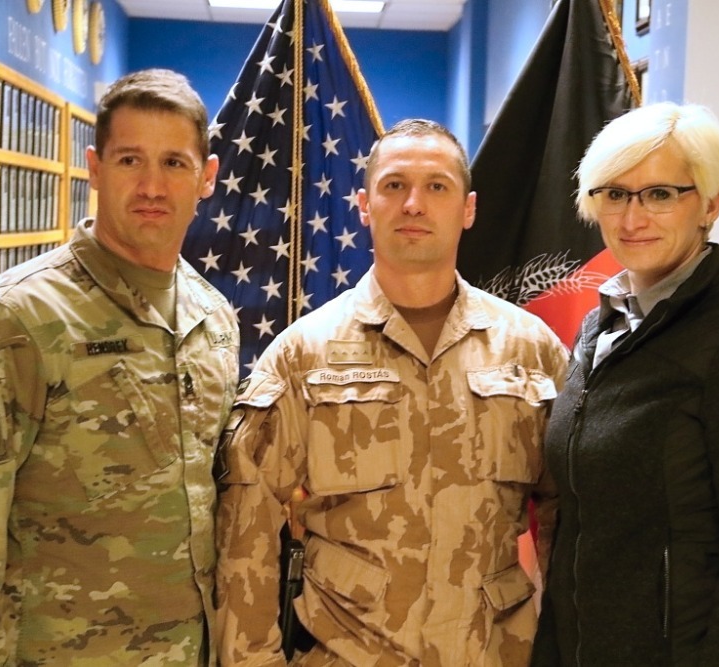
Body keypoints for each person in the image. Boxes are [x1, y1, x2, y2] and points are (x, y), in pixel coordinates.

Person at [0, 68, 240, 665]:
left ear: (207, 177)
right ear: (95, 166)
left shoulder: (213, 316)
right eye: (129, 160)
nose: (151, 186)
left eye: (174, 163)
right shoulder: (10, 319)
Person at [216, 119, 569, 666]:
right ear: (364, 204)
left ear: (468, 208)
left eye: (436, 187)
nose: (413, 204)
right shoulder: (304, 354)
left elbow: (567, 517)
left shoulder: (531, 351)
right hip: (348, 652)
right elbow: (248, 526)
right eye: (394, 185)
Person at [530, 102, 719, 666]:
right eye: (614, 193)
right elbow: (579, 533)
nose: (632, 218)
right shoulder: (599, 327)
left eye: (660, 194)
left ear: (710, 205)